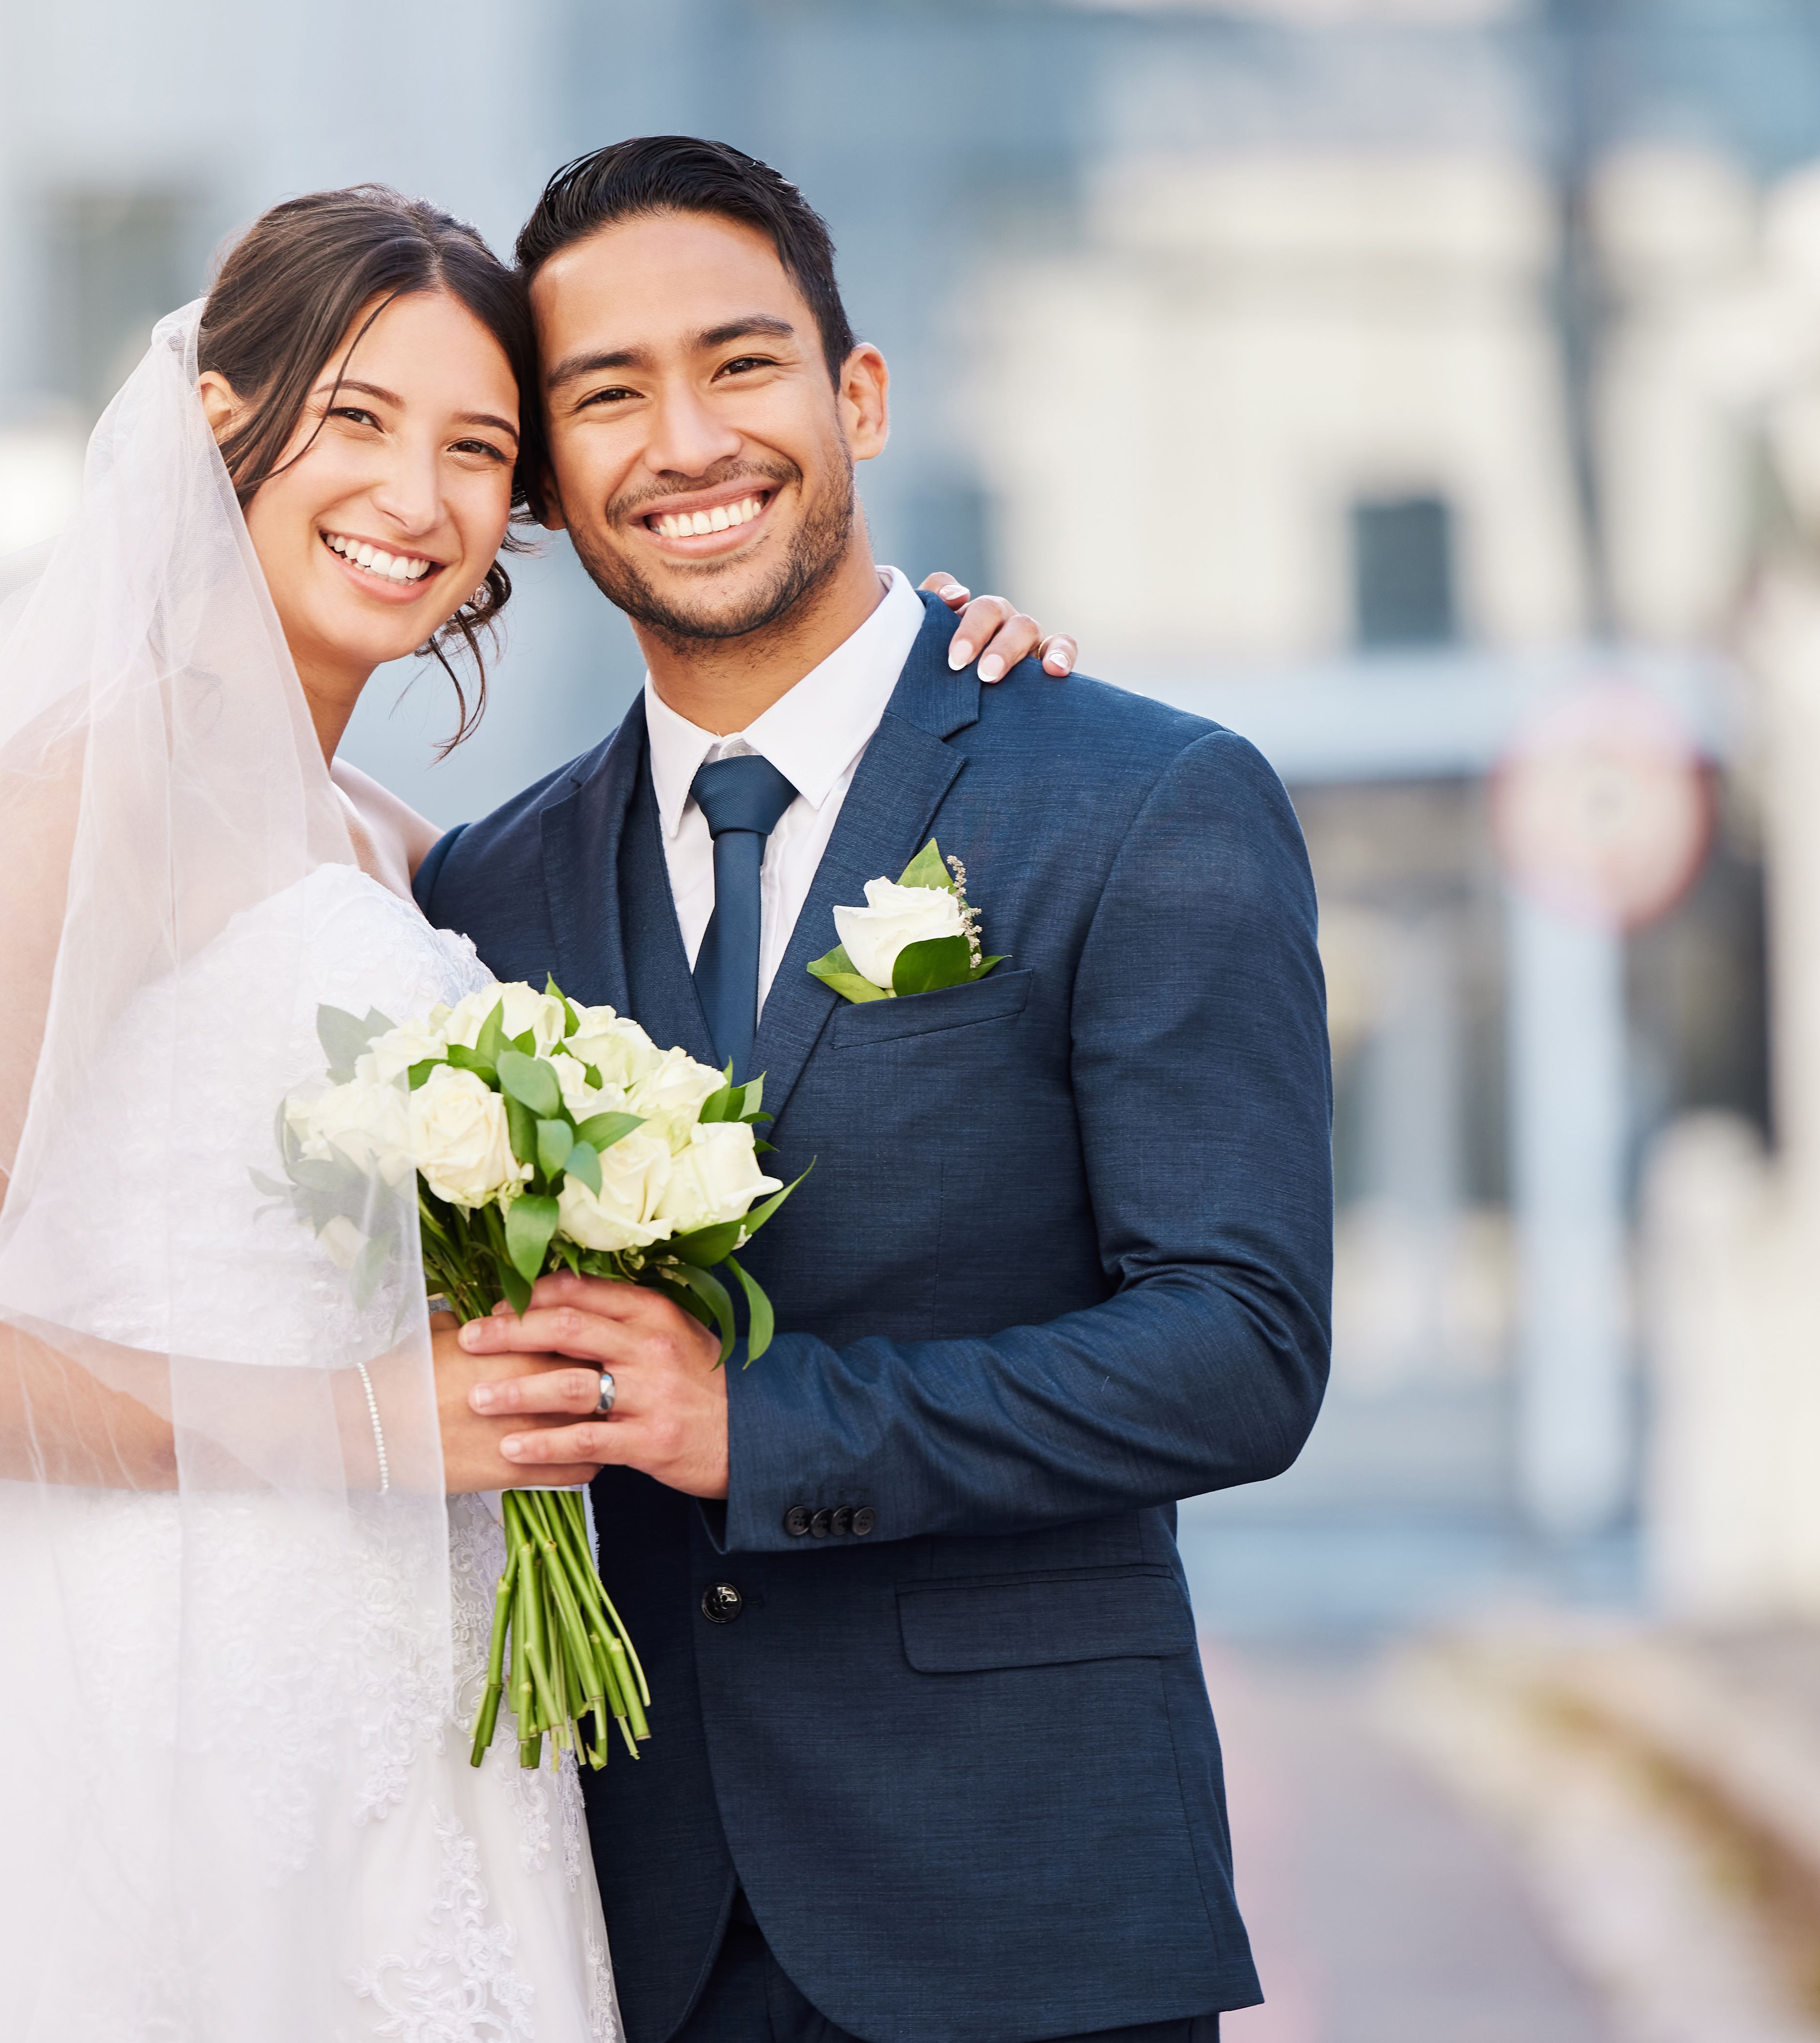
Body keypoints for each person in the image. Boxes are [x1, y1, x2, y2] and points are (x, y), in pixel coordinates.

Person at [0, 182, 1067, 2042]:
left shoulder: (400, 850)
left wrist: (925, 661)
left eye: (477, 450)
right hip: (165, 1688)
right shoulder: (90, 784)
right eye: (357, 419)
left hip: (422, 1699)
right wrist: (358, 1427)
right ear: (222, 418)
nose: (416, 498)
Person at [417, 138, 1332, 2043]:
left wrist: (765, 1424)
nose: (684, 439)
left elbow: (1238, 1345)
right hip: (608, 1926)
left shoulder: (1134, 803)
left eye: (740, 365)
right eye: (605, 394)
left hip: (1022, 1903)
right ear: (544, 481)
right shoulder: (476, 895)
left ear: (859, 396)